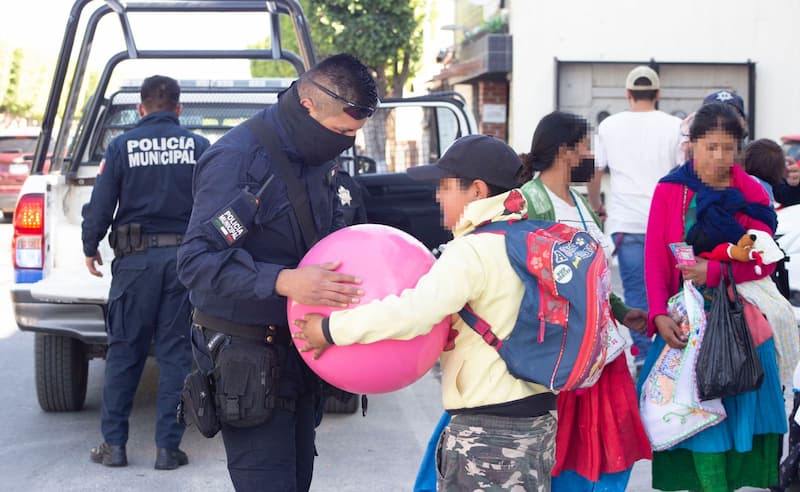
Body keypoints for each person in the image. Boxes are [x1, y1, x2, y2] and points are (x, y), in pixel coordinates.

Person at [295, 134, 559, 492]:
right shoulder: (530, 239)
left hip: (490, 431)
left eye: (446, 186)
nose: (438, 196)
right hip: (537, 422)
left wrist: (329, 329)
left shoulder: (474, 251)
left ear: (477, 191)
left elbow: (412, 313)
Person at [176, 54, 378, 492]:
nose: (345, 142)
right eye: (341, 132)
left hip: (302, 353)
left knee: (296, 481)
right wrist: (284, 281)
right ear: (308, 105)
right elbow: (195, 260)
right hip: (247, 356)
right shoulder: (237, 159)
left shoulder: (317, 156)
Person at [641, 102, 786, 491]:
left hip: (740, 328)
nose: (719, 157)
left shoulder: (752, 192)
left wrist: (718, 270)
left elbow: (766, 260)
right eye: (711, 147)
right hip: (687, 325)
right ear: (693, 146)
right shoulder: (671, 190)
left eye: (728, 148)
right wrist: (658, 314)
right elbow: (655, 258)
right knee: (697, 422)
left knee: (735, 423)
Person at [81, 75, 210, 469]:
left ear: (141, 108)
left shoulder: (120, 146)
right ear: (178, 108)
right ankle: (168, 449)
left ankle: (114, 447)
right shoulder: (198, 146)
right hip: (183, 266)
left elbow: (101, 203)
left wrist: (90, 245)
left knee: (123, 354)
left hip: (135, 266)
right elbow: (214, 203)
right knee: (175, 356)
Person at [519, 111, 652, 491]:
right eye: (586, 147)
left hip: (602, 352)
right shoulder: (530, 202)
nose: (591, 156)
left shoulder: (579, 203)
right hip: (563, 360)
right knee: (565, 457)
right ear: (566, 152)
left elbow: (590, 277)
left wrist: (623, 312)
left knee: (611, 453)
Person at [588, 65, 682, 364]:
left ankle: (644, 359)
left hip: (626, 222)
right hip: (668, 223)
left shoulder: (609, 126)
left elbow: (596, 171)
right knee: (672, 291)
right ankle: (670, 355)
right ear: (658, 94)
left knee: (637, 294)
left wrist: (596, 205)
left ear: (628, 94)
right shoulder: (675, 126)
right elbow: (682, 174)